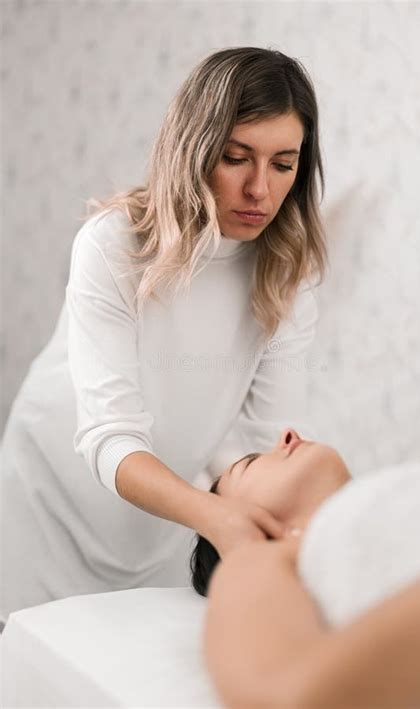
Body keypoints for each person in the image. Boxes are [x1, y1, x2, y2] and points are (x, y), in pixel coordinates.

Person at [0, 46, 328, 622]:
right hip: (45, 503)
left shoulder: (289, 274)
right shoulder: (114, 244)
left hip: (164, 521)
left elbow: (254, 443)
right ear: (194, 150)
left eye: (283, 163)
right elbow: (110, 434)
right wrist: (213, 515)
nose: (260, 190)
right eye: (236, 157)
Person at [197, 428, 420, 708]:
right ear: (237, 521)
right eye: (250, 464)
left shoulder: (399, 496)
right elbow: (280, 697)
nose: (288, 434)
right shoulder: (255, 559)